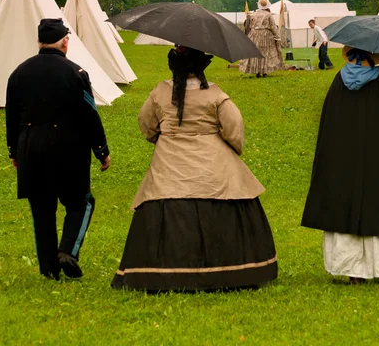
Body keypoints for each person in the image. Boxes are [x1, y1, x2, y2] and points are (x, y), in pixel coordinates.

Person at [112, 45, 277, 291]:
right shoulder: (215, 95)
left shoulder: (160, 91)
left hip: (168, 164)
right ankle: (231, 273)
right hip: (213, 166)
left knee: (162, 196)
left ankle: (158, 274)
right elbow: (234, 130)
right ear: (201, 66)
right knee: (226, 193)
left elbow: (146, 124)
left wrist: (163, 138)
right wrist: (231, 149)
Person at [301, 46, 379, 285]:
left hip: (345, 162)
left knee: (347, 207)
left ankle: (354, 270)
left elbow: (331, 126)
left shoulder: (338, 82)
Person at [6, 18, 111, 280]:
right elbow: (89, 115)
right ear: (65, 41)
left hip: (30, 146)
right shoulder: (76, 73)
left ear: (40, 42)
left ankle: (49, 269)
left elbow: (11, 116)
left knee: (41, 210)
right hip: (68, 148)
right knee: (81, 203)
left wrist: (14, 151)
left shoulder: (18, 73)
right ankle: (67, 251)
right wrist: (101, 149)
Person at [239, 0, 284, 77]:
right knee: (265, 53)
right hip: (265, 35)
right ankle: (264, 71)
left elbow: (249, 25)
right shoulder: (268, 15)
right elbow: (273, 27)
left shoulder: (254, 14)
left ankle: (257, 71)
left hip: (254, 35)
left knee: (256, 53)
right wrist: (277, 37)